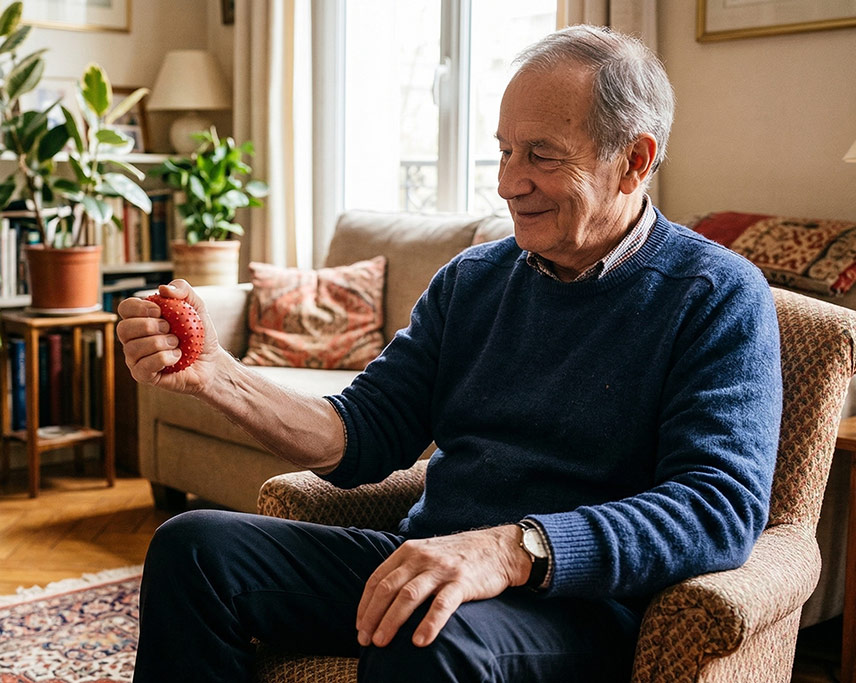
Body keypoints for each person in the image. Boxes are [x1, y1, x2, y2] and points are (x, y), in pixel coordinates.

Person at [117, 24, 782, 682]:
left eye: (542, 156)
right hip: (431, 562)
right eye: (506, 151)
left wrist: (512, 548)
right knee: (194, 548)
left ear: (635, 159)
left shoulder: (716, 294)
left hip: (575, 603)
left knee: (425, 629)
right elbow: (359, 435)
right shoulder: (473, 280)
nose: (509, 183)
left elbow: (716, 508)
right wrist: (219, 377)